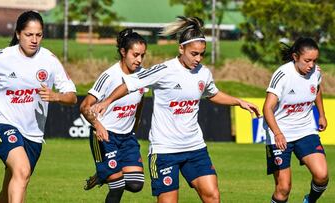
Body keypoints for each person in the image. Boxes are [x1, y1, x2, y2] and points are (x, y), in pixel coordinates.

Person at [92, 16, 260, 203]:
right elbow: (129, 84)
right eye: (194, 53)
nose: (198, 59)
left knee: (213, 197)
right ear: (181, 48)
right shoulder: (164, 70)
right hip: (165, 151)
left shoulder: (203, 73)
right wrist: (106, 102)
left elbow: (213, 94)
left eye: (202, 54)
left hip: (195, 148)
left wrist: (238, 102)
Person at [0, 11, 77, 203]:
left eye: (38, 35)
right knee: (22, 170)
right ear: (18, 34)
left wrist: (56, 96)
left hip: (34, 135)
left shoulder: (49, 60)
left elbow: (72, 97)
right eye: (29, 35)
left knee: (12, 189)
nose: (34, 40)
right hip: (3, 124)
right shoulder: (2, 57)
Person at [80, 28, 147, 203]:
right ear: (123, 52)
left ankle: (103, 174)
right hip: (104, 136)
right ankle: (107, 172)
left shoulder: (143, 75)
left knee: (135, 185)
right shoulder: (109, 76)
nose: (139, 60)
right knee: (117, 186)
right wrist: (98, 125)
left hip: (127, 138)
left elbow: (140, 102)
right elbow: (84, 106)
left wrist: (135, 125)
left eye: (142, 55)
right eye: (135, 55)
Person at [263, 37, 328, 203]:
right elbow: (267, 108)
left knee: (322, 176)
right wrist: (277, 133)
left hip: (305, 130)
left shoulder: (316, 72)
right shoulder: (282, 75)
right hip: (280, 133)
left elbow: (317, 90)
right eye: (307, 60)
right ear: (295, 57)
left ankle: (309, 201)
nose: (311, 65)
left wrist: (321, 114)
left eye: (314, 60)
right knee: (283, 189)